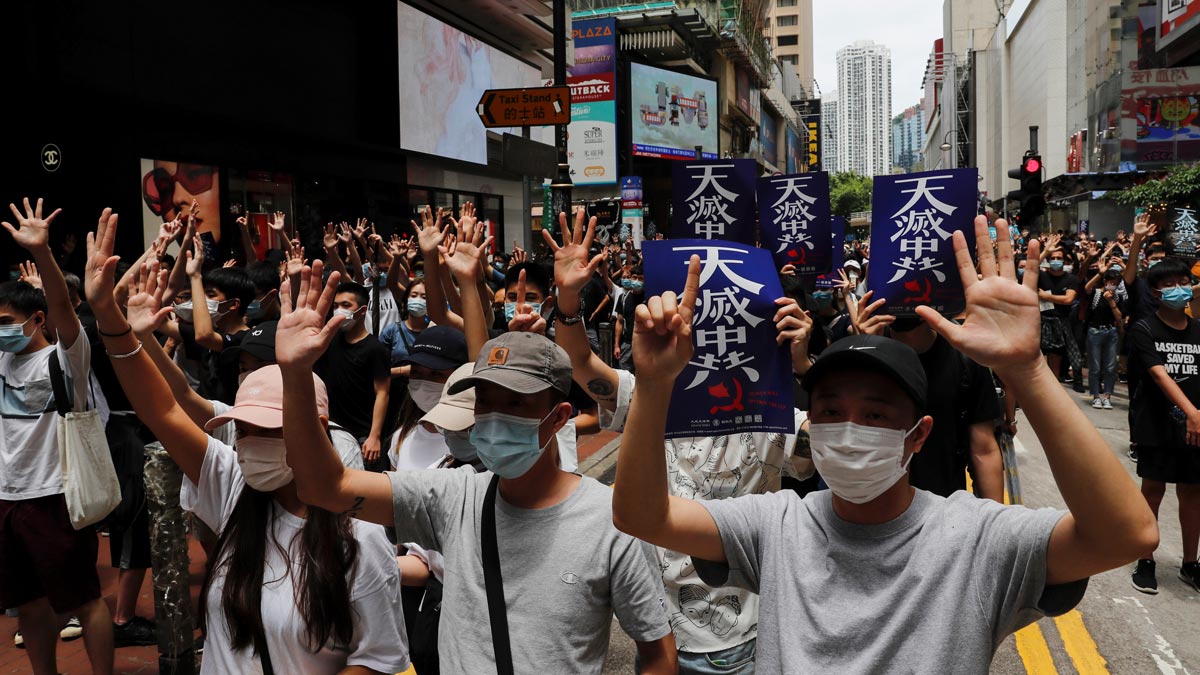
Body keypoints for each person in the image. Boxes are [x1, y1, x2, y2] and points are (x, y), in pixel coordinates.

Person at [611, 216, 1159, 672]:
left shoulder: (975, 539)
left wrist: (1030, 371)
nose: (848, 428)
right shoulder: (773, 527)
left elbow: (1127, 534)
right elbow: (641, 515)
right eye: (830, 411)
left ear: (917, 435)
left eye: (874, 414)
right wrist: (657, 384)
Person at [274, 258, 677, 674]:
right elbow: (325, 487)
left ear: (558, 418)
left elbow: (658, 652)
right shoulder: (454, 496)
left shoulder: (611, 522)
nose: (494, 416)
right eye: (484, 401)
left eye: (515, 403)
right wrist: (296, 374)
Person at [82, 213, 410, 674]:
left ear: (315, 427)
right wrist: (109, 319)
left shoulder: (358, 536)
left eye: (270, 430)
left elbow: (378, 660)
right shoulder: (233, 483)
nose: (250, 443)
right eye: (246, 430)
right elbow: (165, 409)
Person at [546, 210, 813, 671]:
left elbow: (848, 444)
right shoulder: (653, 395)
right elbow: (582, 365)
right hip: (658, 634)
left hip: (747, 637)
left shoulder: (776, 416)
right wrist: (567, 302)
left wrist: (807, 367)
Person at [0, 199, 115, 675]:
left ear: (37, 321)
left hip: (58, 497)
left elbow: (66, 307)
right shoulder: (2, 362)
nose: (1, 332)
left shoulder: (66, 358)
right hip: (9, 499)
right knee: (29, 606)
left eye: (6, 323)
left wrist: (44, 256)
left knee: (84, 600)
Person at [1126, 256, 1200, 594]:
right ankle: (1146, 559)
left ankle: (1190, 564)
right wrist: (1191, 411)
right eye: (1168, 284)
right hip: (1156, 425)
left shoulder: (1199, 330)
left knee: (1192, 493)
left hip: (1195, 428)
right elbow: (1158, 374)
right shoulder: (1144, 328)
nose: (1177, 289)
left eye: (1182, 281)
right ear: (1155, 291)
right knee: (1152, 492)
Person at [316, 282, 391, 471]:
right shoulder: (329, 341)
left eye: (346, 305)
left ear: (362, 310)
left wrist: (374, 436)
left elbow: (382, 393)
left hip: (361, 435)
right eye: (336, 306)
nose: (339, 310)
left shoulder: (375, 348)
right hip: (331, 429)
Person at [1038, 244, 1084, 392]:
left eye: (1059, 258)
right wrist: (1045, 252)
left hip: (1060, 322)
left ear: (1064, 261)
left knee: (1056, 358)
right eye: (1053, 258)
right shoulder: (1042, 275)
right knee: (1037, 358)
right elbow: (1030, 268)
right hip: (1040, 321)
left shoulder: (1071, 279)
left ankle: (1052, 390)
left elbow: (1068, 299)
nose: (1056, 260)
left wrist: (1047, 296)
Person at [1083, 267, 1126, 409]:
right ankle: (1096, 396)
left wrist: (1111, 301)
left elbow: (1119, 317)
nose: (1113, 285)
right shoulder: (1095, 294)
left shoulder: (1117, 297)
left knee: (1110, 366)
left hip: (1111, 331)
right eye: (1111, 282)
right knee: (1095, 367)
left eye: (1116, 283)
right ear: (1105, 281)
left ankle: (1107, 396)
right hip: (1095, 331)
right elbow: (1087, 287)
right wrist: (1100, 273)